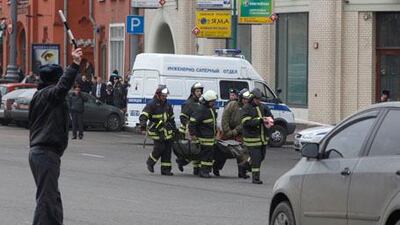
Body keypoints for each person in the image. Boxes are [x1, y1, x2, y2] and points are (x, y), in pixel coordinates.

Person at [28, 47, 82, 225]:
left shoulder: (41, 96)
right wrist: (74, 64)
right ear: (55, 81)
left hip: (42, 154)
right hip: (45, 153)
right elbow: (62, 87)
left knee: (52, 199)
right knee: (47, 200)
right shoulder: (49, 95)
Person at [139, 85, 177, 176]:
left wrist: (174, 129)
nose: (164, 97)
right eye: (163, 96)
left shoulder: (168, 105)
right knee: (159, 148)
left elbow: (171, 118)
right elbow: (143, 116)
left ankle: (166, 169)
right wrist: (143, 127)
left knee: (167, 150)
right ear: (158, 95)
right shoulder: (152, 104)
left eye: (166, 96)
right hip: (156, 130)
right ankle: (150, 162)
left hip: (166, 130)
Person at [215, 88, 251, 178]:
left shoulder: (249, 108)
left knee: (242, 152)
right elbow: (225, 118)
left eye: (247, 99)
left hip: (240, 133)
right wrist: (227, 131)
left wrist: (236, 131)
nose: (246, 101)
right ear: (240, 98)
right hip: (228, 132)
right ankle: (216, 167)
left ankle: (242, 172)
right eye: (244, 99)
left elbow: (245, 123)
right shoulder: (232, 105)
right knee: (223, 152)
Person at [240, 88, 274, 184]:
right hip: (252, 138)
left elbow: (271, 117)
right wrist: (259, 120)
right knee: (256, 158)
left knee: (261, 157)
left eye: (259, 99)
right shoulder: (246, 108)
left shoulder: (264, 107)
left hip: (262, 138)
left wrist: (269, 120)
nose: (259, 101)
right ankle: (255, 178)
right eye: (257, 99)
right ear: (252, 98)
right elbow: (245, 122)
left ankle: (244, 166)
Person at [189, 90, 218, 178]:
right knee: (206, 156)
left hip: (210, 137)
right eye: (212, 101)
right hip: (204, 137)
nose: (214, 103)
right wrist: (193, 134)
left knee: (205, 155)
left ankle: (198, 170)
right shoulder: (201, 109)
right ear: (207, 101)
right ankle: (204, 171)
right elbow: (192, 122)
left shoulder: (210, 109)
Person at [177, 82, 203, 174]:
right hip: (186, 132)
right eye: (197, 91)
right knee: (190, 150)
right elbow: (182, 117)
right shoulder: (188, 103)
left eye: (200, 91)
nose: (199, 93)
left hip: (196, 131)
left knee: (196, 150)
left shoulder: (200, 103)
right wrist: (189, 127)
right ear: (193, 92)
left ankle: (196, 169)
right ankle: (181, 161)